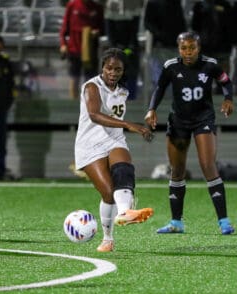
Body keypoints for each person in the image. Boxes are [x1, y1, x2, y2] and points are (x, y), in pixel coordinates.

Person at [144, 31, 234, 235]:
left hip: (203, 120)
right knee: (177, 171)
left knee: (208, 166)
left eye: (192, 47)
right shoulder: (171, 67)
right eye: (184, 48)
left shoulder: (210, 64)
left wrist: (228, 98)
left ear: (199, 48)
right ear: (179, 48)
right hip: (178, 122)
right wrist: (152, 109)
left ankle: (224, 222)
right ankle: (176, 223)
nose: (188, 52)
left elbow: (226, 81)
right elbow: (159, 88)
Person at [74, 48, 154, 252]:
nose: (113, 72)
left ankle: (126, 212)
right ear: (102, 67)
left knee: (124, 170)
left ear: (123, 70)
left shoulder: (123, 91)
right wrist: (130, 125)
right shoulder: (92, 86)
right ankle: (107, 239)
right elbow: (94, 114)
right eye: (109, 68)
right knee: (109, 193)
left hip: (114, 139)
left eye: (118, 69)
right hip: (90, 143)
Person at [60, 0, 104, 100]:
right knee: (74, 77)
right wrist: (63, 44)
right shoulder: (72, 5)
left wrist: (96, 32)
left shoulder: (97, 7)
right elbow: (64, 28)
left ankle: (89, 108)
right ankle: (73, 104)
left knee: (91, 81)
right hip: (74, 48)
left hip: (90, 50)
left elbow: (102, 29)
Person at [104, 0, 143, 100]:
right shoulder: (111, 4)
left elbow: (135, 30)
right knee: (114, 75)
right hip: (115, 50)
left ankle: (131, 100)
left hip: (131, 49)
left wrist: (129, 49)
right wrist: (115, 50)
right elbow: (110, 31)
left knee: (131, 74)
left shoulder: (134, 3)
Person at [144, 0, 186, 87]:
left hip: (174, 45)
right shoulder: (152, 2)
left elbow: (180, 20)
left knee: (176, 76)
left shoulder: (175, 2)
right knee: (159, 77)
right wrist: (159, 34)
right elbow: (147, 23)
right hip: (159, 46)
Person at [0, 36, 15, 181]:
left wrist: (9, 100)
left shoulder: (5, 62)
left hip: (1, 108)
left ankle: (1, 169)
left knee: (1, 141)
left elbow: (11, 84)